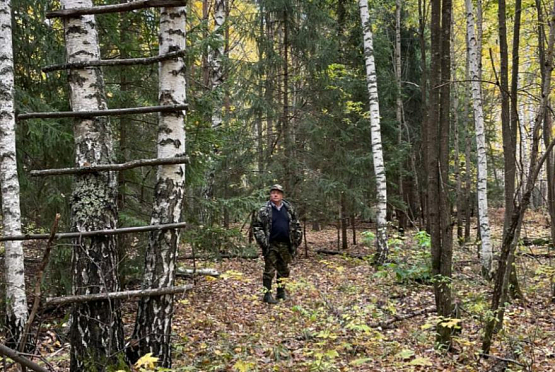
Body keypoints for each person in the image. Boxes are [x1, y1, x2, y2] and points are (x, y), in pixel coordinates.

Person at [252, 184, 302, 304]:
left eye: (278, 193)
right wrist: (264, 242)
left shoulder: (289, 208)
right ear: (270, 195)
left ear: (282, 195)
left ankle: (281, 292)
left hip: (286, 244)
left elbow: (296, 224)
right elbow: (257, 227)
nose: (275, 194)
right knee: (269, 270)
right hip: (271, 244)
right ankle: (267, 294)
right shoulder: (264, 210)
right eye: (273, 192)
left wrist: (297, 239)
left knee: (284, 270)